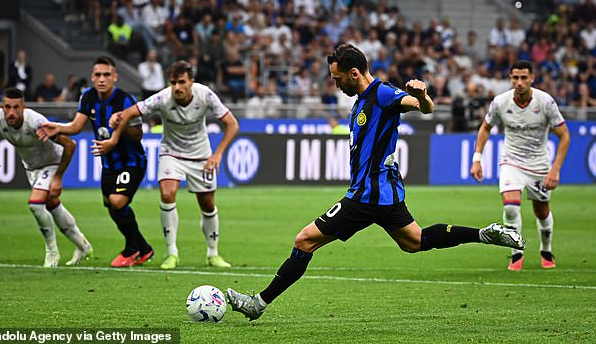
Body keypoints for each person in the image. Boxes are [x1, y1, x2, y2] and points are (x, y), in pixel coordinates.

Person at [226, 43, 525, 320]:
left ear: (353, 73)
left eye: (337, 78)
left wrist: (421, 95)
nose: (335, 83)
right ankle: (484, 234)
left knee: (304, 240)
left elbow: (425, 107)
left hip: (366, 196)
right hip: (384, 194)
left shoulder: (382, 94)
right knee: (415, 241)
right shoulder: (361, 100)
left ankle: (258, 304)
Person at [96, 61, 239, 270]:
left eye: (182, 82)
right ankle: (172, 253)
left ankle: (212, 253)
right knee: (167, 193)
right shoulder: (163, 98)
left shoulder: (205, 95)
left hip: (201, 155)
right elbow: (129, 113)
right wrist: (115, 132)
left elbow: (232, 124)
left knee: (207, 204)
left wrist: (217, 155)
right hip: (171, 153)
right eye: (173, 82)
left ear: (191, 81)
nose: (177, 87)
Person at [37, 56, 153, 268]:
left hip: (131, 161)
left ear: (115, 77)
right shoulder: (88, 97)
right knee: (111, 207)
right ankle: (144, 248)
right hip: (108, 164)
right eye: (97, 75)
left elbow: (138, 135)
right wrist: (58, 127)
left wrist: (121, 123)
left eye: (106, 75)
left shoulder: (125, 100)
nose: (102, 79)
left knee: (118, 202)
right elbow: (76, 126)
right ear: (92, 77)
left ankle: (132, 248)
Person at [471, 60, 570, 271]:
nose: (519, 82)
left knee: (541, 211)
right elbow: (485, 127)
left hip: (539, 165)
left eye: (524, 77)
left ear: (532, 78)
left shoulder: (545, 102)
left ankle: (546, 249)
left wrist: (555, 169)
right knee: (510, 205)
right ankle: (517, 253)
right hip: (511, 162)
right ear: (510, 79)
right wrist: (477, 158)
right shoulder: (500, 102)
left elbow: (565, 136)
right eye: (515, 77)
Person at [0, 87, 92, 267]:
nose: (11, 112)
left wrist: (58, 177)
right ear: (2, 106)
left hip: (52, 162)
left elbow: (70, 145)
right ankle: (83, 245)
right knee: (51, 204)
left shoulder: (36, 122)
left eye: (16, 108)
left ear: (23, 107)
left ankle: (52, 252)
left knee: (35, 204)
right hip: (31, 168)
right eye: (7, 107)